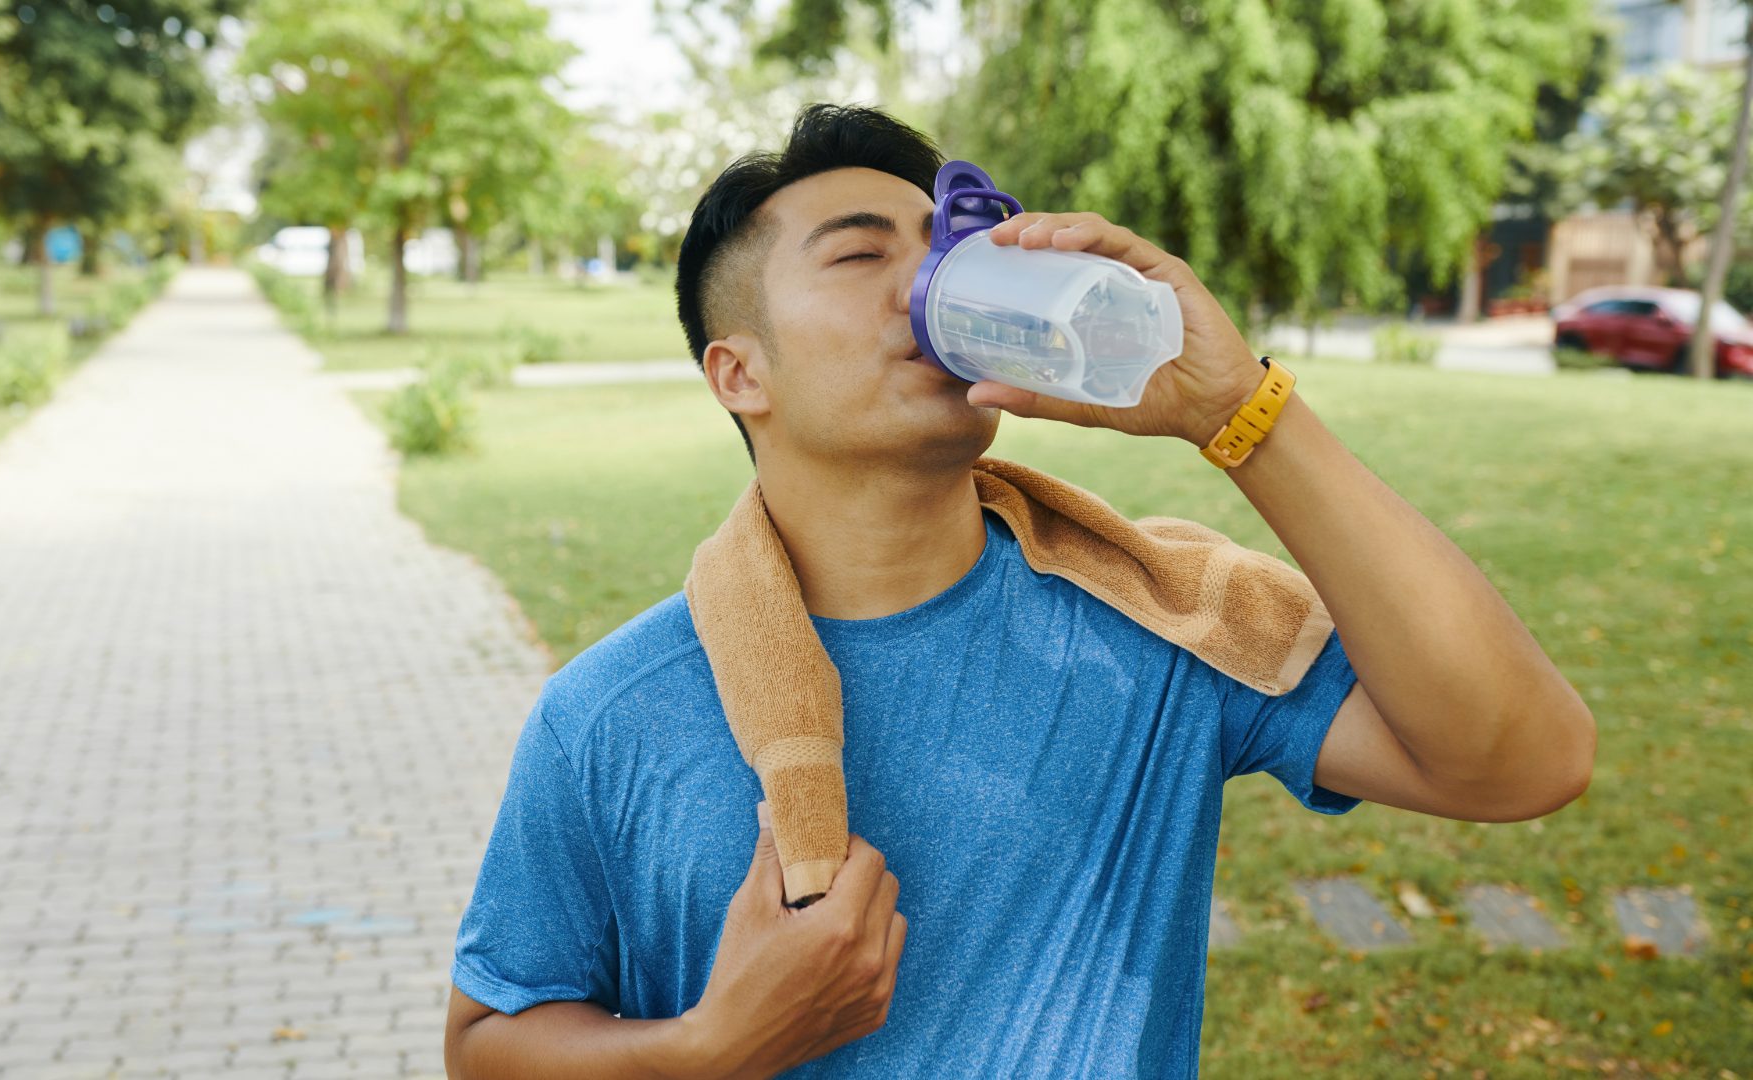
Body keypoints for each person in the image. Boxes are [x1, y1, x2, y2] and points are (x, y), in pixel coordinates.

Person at [443, 103, 1596, 1078]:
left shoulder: (1163, 620)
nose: (933, 279)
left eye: (943, 241)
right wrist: (712, 1044)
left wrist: (1239, 410)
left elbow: (1523, 761)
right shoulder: (608, 716)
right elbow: (487, 1038)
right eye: (860, 255)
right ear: (740, 372)